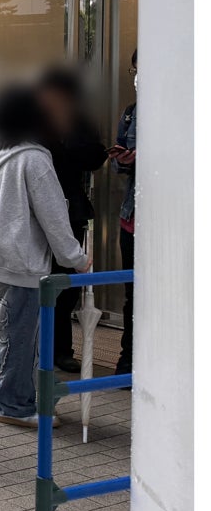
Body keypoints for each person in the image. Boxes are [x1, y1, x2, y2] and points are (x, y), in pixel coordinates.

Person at [0, 85, 90, 428]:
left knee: (1, 334)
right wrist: (76, 258)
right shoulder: (34, 159)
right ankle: (13, 405)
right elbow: (53, 217)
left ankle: (5, 396)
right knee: (20, 340)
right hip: (21, 261)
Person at [37, 67, 109, 374]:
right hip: (38, 213)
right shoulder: (32, 122)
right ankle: (37, 347)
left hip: (71, 210)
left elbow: (94, 156)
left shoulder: (79, 121)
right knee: (40, 282)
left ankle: (61, 350)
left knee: (66, 286)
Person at [113, 50, 137, 375]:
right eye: (135, 70)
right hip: (131, 217)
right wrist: (124, 159)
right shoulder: (131, 113)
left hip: (165, 221)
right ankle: (127, 362)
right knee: (133, 294)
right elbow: (119, 165)